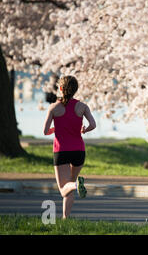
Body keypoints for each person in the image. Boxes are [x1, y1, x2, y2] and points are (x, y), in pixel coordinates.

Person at [43, 75, 96, 219]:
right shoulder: (82, 107)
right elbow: (93, 124)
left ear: (60, 89)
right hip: (79, 151)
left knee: (64, 189)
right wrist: (84, 130)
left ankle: (74, 186)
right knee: (70, 184)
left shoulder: (53, 108)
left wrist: (55, 129)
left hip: (61, 151)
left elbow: (45, 131)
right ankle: (65, 219)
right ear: (75, 90)